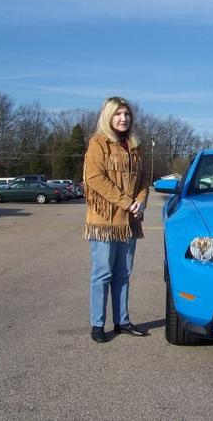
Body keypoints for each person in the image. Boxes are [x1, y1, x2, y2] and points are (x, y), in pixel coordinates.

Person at [83, 96, 151, 343]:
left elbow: (144, 179)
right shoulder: (98, 143)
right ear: (108, 116)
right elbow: (95, 178)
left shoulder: (134, 145)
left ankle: (122, 321)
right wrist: (127, 202)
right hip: (104, 221)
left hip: (129, 222)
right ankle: (97, 324)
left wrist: (141, 202)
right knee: (102, 273)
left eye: (127, 114)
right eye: (118, 114)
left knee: (124, 274)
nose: (123, 118)